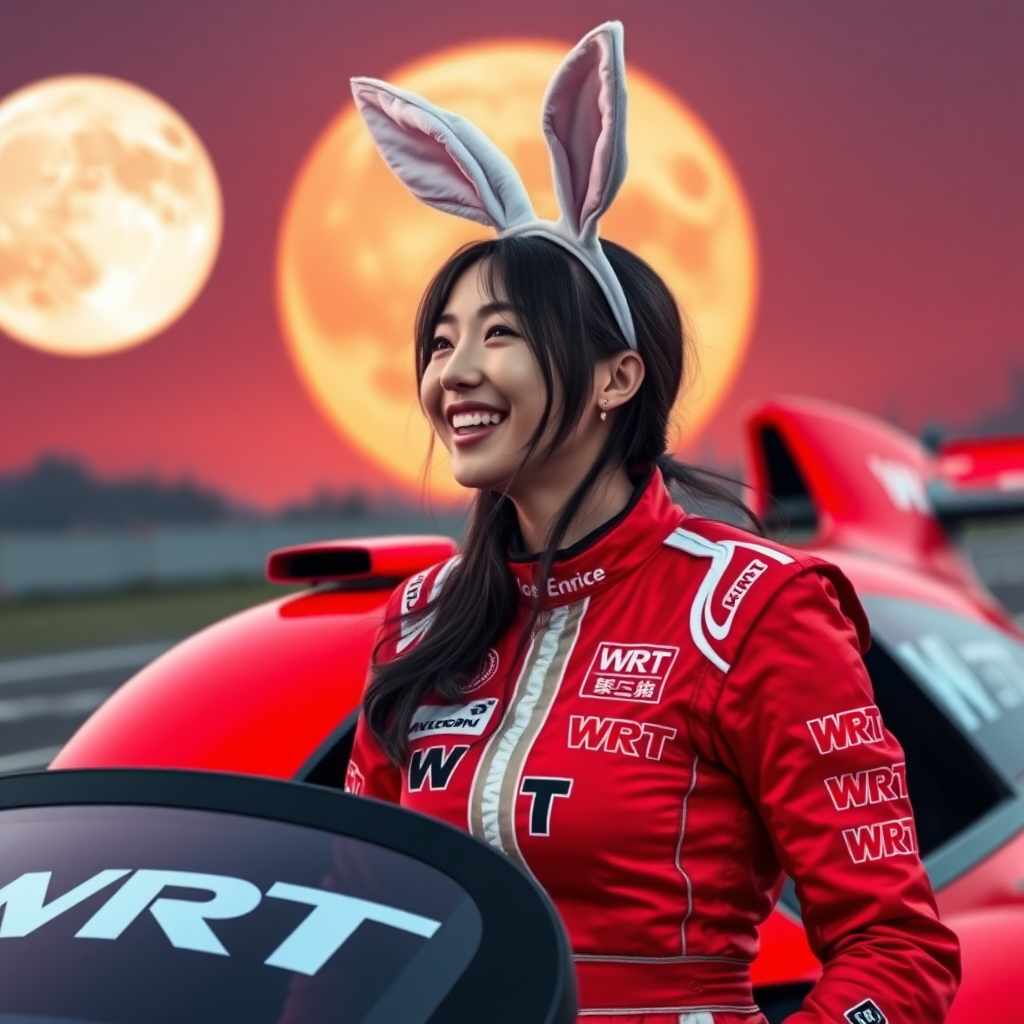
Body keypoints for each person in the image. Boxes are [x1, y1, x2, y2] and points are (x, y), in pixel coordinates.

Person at [344, 23, 960, 1024]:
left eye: (499, 335)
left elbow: (896, 948)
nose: (451, 373)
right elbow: (348, 917)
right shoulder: (419, 618)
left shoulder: (753, 608)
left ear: (614, 378)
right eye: (441, 339)